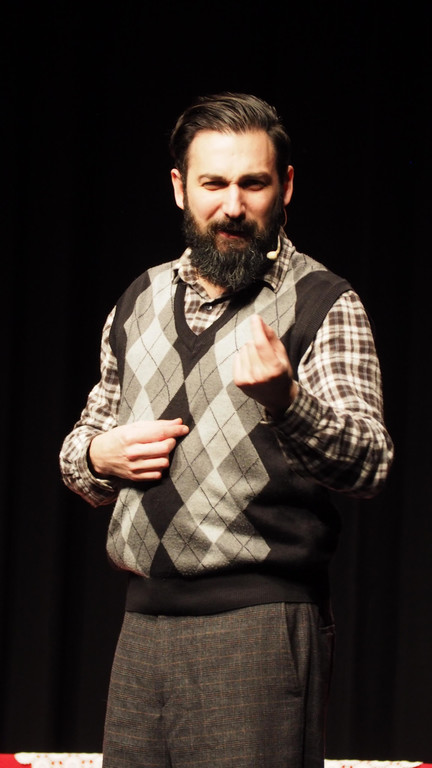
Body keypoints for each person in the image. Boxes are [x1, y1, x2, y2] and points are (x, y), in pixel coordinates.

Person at [60, 92, 394, 768]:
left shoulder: (323, 302)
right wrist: (98, 455)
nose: (233, 205)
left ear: (286, 186)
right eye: (213, 183)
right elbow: (80, 445)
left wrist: (287, 401)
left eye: (253, 183)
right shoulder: (139, 299)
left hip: (258, 627)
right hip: (143, 627)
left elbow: (370, 462)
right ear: (180, 187)